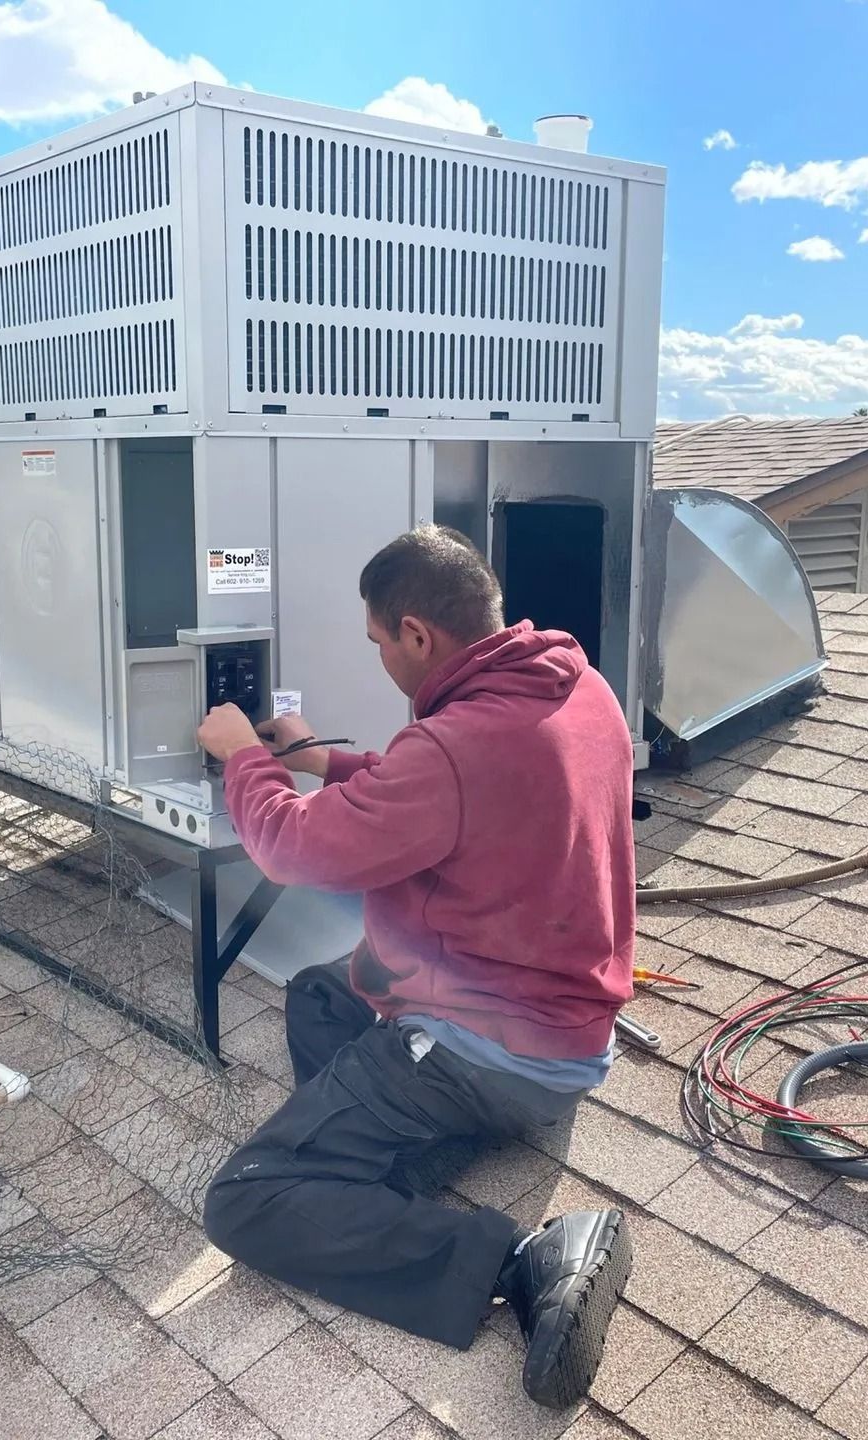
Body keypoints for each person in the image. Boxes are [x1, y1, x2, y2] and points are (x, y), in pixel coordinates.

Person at [193, 524, 637, 1409]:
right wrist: (322, 759)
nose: (382, 660)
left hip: (490, 1053)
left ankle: (522, 1263)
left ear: (418, 635)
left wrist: (244, 755)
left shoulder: (452, 748)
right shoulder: (577, 687)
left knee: (245, 1201)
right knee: (321, 991)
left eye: (378, 642)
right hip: (569, 1037)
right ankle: (382, 1175)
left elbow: (289, 847)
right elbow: (445, 786)